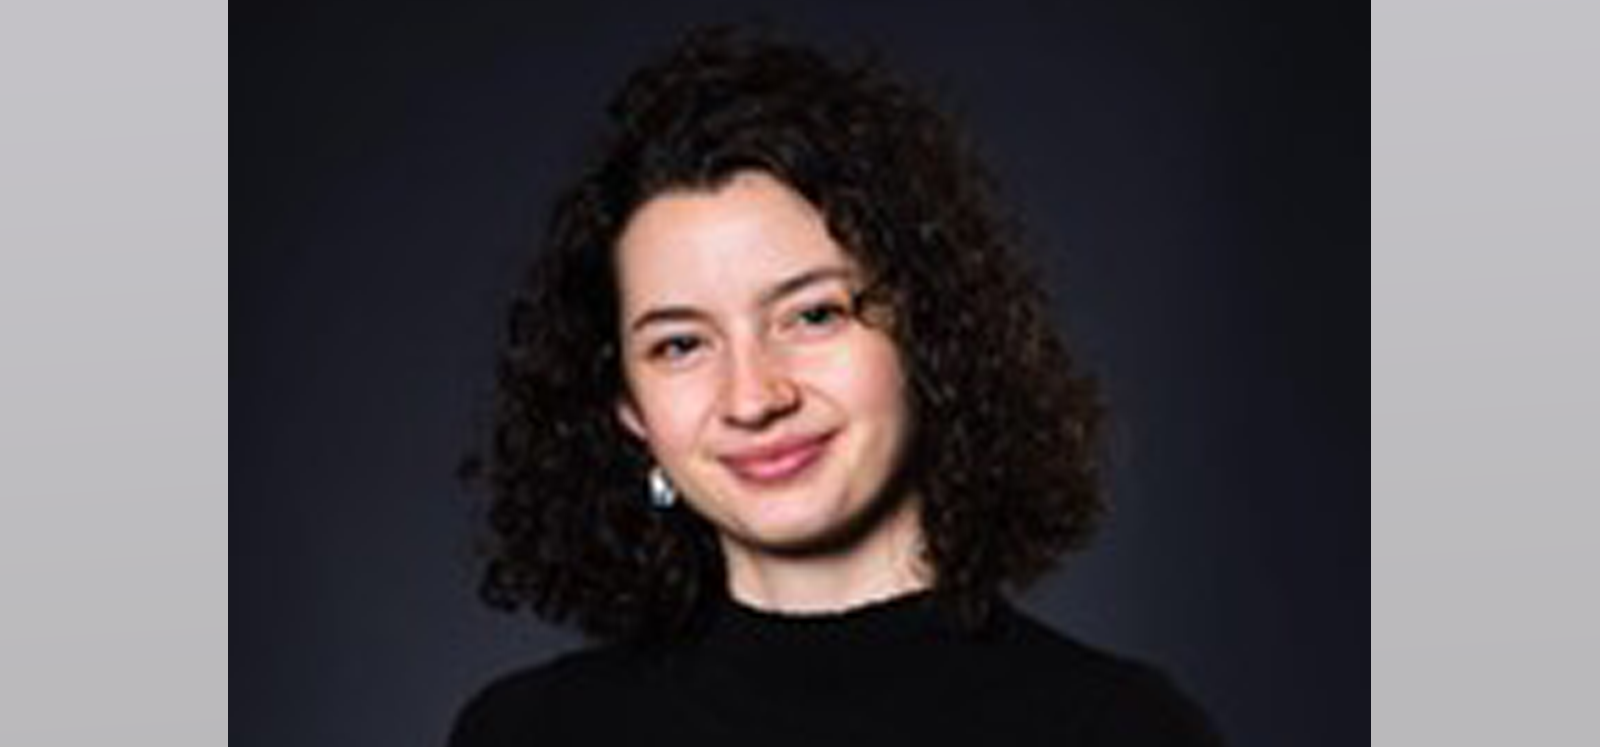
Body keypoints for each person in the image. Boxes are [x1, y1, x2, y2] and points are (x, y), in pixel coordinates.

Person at [450, 25, 1223, 747]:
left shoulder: (1124, 729)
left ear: (926, 330)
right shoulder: (525, 732)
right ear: (628, 406)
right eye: (680, 344)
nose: (753, 398)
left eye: (813, 315)